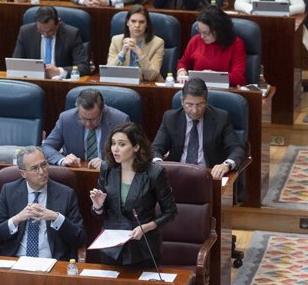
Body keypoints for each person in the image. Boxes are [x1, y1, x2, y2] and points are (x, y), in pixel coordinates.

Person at [89, 122, 177, 267]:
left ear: (136, 147)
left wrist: (146, 227)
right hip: (111, 246)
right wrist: (98, 206)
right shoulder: (107, 168)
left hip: (142, 247)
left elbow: (171, 212)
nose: (115, 149)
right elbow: (100, 213)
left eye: (122, 144)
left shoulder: (154, 173)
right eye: (113, 143)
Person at [0, 146, 87, 261]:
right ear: (23, 173)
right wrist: (16, 219)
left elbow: (80, 238)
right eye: (34, 168)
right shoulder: (9, 191)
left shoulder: (66, 194)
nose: (42, 172)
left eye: (43, 165)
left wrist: (56, 217)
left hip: (52, 262)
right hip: (17, 261)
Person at [152, 78, 245, 178]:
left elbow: (237, 149)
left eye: (200, 104)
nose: (195, 110)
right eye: (189, 104)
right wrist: (159, 164)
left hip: (209, 175)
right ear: (182, 101)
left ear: (206, 101)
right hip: (177, 175)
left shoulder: (221, 118)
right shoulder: (170, 118)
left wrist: (226, 165)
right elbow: (155, 148)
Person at [42, 88, 129, 169]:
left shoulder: (120, 120)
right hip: (77, 173)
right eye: (83, 118)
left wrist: (108, 164)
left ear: (102, 110)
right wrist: (62, 160)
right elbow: (47, 147)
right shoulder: (66, 119)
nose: (88, 124)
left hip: (109, 176)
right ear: (78, 110)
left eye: (93, 119)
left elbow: (131, 154)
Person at [176, 5, 246, 87]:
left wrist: (213, 76)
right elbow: (183, 63)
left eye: (206, 33)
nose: (202, 36)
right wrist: (181, 71)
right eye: (199, 31)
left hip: (225, 92)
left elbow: (239, 77)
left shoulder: (236, 44)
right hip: (197, 91)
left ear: (219, 30)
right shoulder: (195, 40)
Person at [12, 5, 88, 78]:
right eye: (41, 31)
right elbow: (15, 64)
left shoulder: (71, 34)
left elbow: (84, 67)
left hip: (61, 82)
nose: (45, 35)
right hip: (34, 80)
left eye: (50, 31)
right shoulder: (25, 32)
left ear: (58, 23)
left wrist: (59, 71)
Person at [106, 4, 165, 82]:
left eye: (141, 22)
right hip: (121, 84)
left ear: (147, 24)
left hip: (147, 86)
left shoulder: (157, 43)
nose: (137, 25)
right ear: (127, 22)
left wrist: (139, 52)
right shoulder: (116, 40)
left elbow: (152, 76)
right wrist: (122, 53)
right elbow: (108, 72)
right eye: (133, 21)